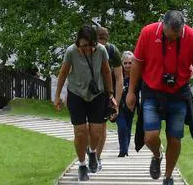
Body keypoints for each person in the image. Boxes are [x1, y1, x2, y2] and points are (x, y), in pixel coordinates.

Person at [126, 10, 193, 185]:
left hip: (178, 94)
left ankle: (168, 177)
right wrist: (131, 91)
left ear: (182, 29)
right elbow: (137, 62)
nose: (172, 40)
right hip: (152, 92)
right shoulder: (148, 32)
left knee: (175, 138)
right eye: (169, 36)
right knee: (150, 137)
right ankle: (157, 155)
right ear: (163, 25)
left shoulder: (192, 37)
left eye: (176, 37)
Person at [54, 24, 116, 182]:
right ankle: (82, 165)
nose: (87, 49)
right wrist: (57, 96)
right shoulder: (71, 52)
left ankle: (93, 152)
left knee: (96, 132)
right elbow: (62, 74)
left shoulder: (101, 51)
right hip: (76, 94)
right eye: (84, 46)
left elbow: (107, 71)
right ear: (78, 42)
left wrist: (110, 95)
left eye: (91, 45)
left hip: (97, 95)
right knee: (80, 132)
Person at [95, 26, 123, 161]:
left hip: (106, 92)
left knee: (102, 127)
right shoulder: (89, 49)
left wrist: (116, 101)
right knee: (90, 127)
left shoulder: (112, 51)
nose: (102, 44)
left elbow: (119, 78)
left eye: (104, 40)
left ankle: (97, 157)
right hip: (89, 92)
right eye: (99, 40)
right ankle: (91, 153)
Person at [115, 50, 137, 157]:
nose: (127, 65)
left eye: (130, 63)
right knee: (122, 126)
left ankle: (125, 149)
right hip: (119, 105)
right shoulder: (118, 76)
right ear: (122, 63)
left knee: (128, 127)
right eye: (125, 63)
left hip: (131, 106)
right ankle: (122, 150)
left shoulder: (136, 76)